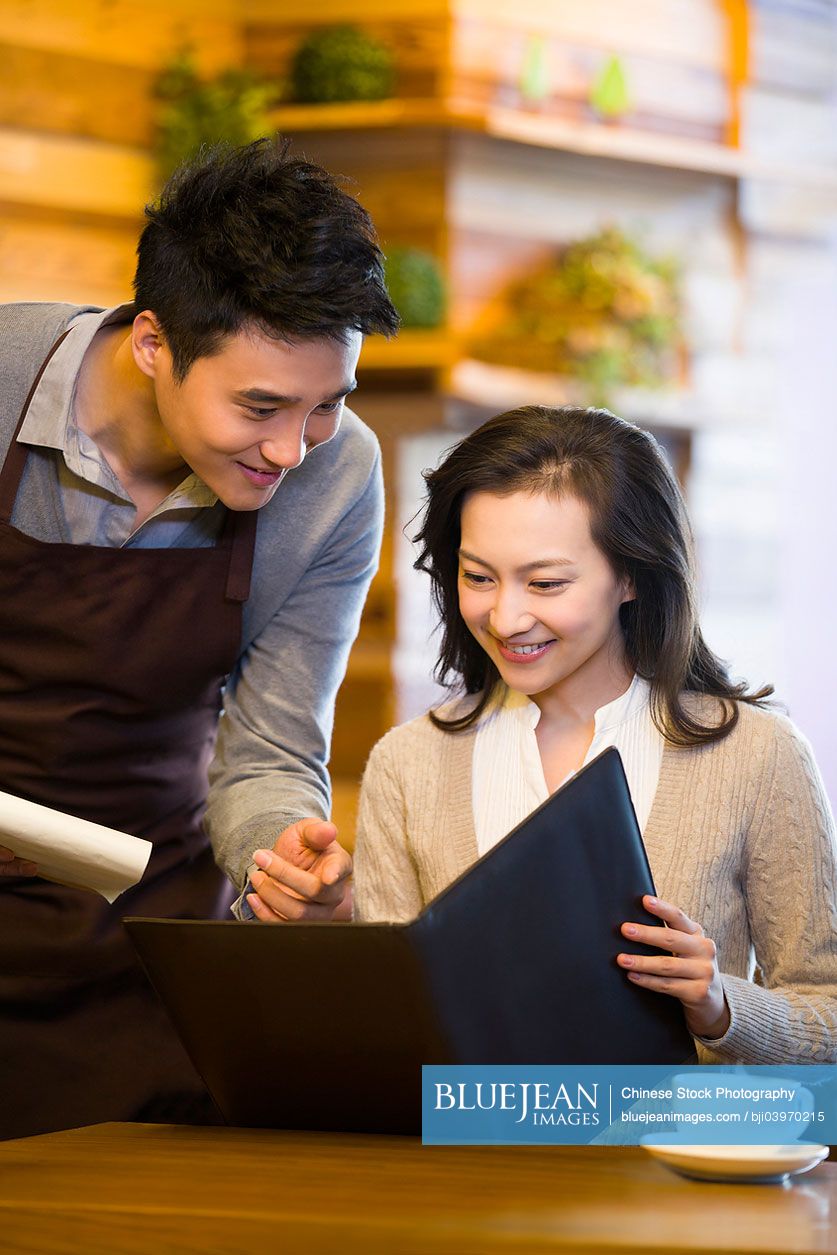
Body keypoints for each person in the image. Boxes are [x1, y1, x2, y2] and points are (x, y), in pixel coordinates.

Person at [0, 138, 399, 1139]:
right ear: (151, 343)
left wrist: (283, 861)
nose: (290, 448)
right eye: (260, 406)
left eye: (327, 403)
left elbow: (267, 749)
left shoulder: (338, 475)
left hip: (141, 947)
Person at [354, 404, 837, 1065]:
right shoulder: (408, 763)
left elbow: (827, 1018)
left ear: (632, 575)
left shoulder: (754, 755)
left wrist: (718, 1004)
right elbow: (386, 1029)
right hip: (469, 1162)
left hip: (675, 1164)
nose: (504, 616)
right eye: (477, 576)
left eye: (545, 582)